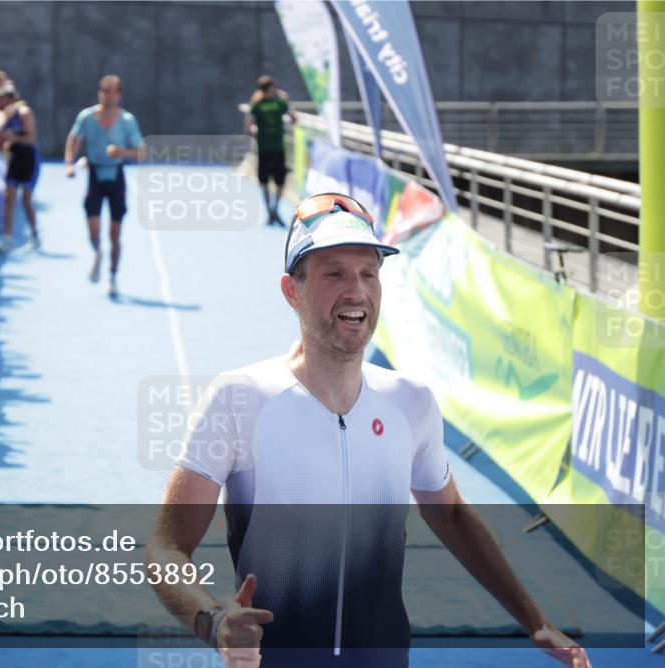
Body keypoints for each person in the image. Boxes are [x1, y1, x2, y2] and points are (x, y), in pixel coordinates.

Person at [146, 193, 592, 668]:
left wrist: (534, 620)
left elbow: (453, 516)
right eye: (333, 273)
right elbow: (165, 548)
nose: (356, 291)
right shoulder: (239, 398)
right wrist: (212, 620)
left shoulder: (410, 402)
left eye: (368, 273)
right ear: (291, 291)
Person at [64, 74, 145, 298]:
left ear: (119, 95)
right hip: (95, 175)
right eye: (103, 90)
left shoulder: (127, 120)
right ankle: (98, 252)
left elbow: (142, 151)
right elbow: (74, 139)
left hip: (116, 176)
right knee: (93, 228)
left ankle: (113, 275)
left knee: (115, 233)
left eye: (111, 91)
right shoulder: (87, 117)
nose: (106, 94)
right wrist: (70, 164)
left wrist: (121, 152)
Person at [0, 84, 40, 252]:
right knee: (9, 198)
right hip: (13, 158)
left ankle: (35, 235)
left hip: (27, 158)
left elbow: (31, 138)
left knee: (26, 199)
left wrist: (12, 137)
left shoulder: (24, 112)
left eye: (1, 99)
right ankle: (7, 238)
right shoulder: (3, 114)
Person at [245, 75, 296, 227]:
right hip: (276, 148)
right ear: (269, 88)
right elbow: (294, 119)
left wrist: (258, 134)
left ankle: (271, 211)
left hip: (264, 149)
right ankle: (273, 211)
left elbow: (248, 127)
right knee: (278, 181)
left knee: (265, 182)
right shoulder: (279, 103)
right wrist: (287, 100)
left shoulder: (256, 104)